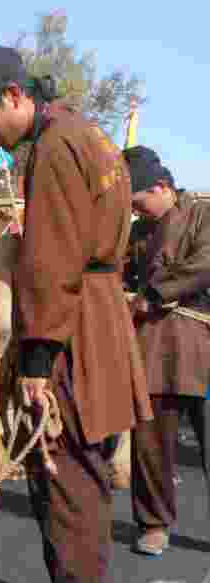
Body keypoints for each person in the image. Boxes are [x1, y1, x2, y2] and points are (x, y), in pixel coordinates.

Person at [0, 45, 152, 583]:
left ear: (14, 96)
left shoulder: (52, 150)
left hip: (71, 325)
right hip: (97, 313)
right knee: (85, 470)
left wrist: (36, 361)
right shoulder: (87, 134)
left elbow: (50, 260)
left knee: (61, 466)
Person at [123, 146, 210, 556]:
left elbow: (204, 263)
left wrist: (153, 294)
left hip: (202, 347)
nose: (137, 212)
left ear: (161, 187)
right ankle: (154, 522)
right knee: (150, 443)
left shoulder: (204, 215)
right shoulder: (138, 232)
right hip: (153, 347)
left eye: (140, 202)